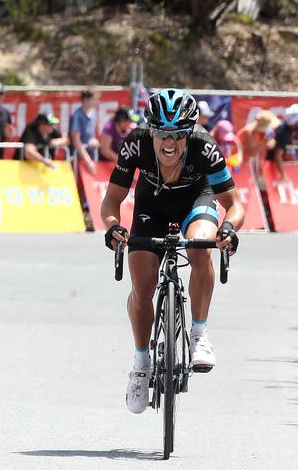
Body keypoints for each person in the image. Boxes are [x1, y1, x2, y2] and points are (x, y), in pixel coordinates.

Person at [100, 88, 245, 414]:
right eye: (162, 133)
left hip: (197, 200)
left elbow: (234, 205)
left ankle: (199, 334)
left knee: (198, 249)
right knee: (143, 285)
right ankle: (141, 363)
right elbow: (111, 200)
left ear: (189, 132)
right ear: (150, 131)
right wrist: (112, 226)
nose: (170, 142)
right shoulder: (135, 144)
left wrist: (229, 229)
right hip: (151, 206)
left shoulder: (204, 146)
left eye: (179, 134)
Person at [236, 110, 280, 174]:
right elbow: (252, 152)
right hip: (239, 165)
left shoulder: (264, 132)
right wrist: (265, 141)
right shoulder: (248, 132)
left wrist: (269, 139)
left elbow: (272, 144)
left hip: (254, 166)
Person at [69, 90, 98, 175]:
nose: (96, 102)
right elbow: (76, 141)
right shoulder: (77, 116)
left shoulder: (92, 113)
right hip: (77, 157)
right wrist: (88, 161)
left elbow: (91, 135)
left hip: (90, 156)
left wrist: (94, 140)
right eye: (94, 99)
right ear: (86, 100)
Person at [0, 83, 15, 158]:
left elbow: (8, 134)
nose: (0, 96)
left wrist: (9, 132)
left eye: (1, 94)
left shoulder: (5, 112)